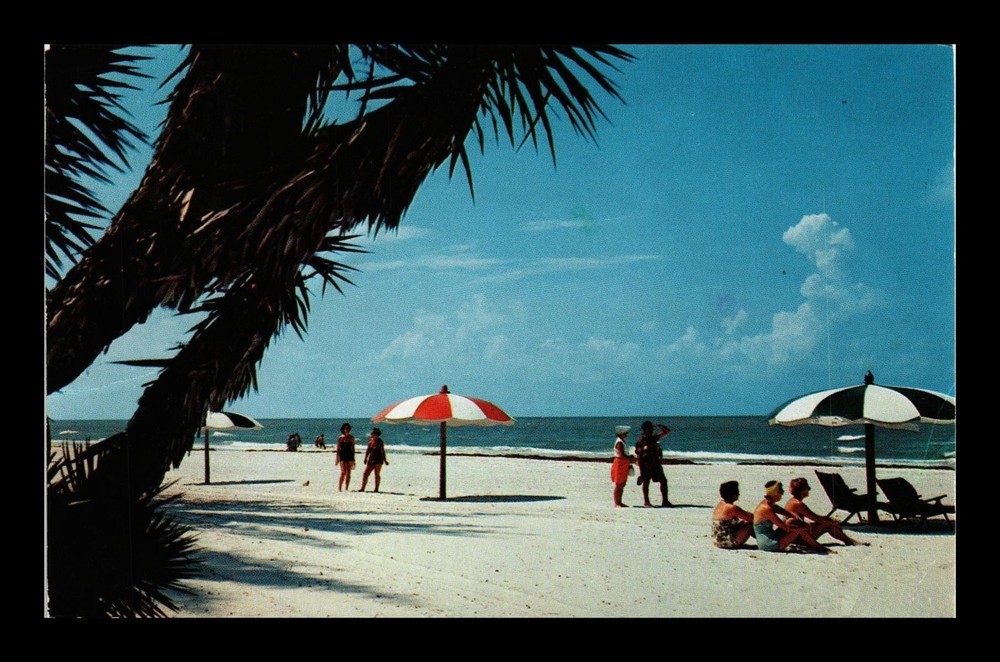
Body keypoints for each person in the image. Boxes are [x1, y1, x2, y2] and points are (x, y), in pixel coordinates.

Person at [753, 480, 834, 554]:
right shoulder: (767, 509)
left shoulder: (768, 504)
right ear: (775, 493)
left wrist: (796, 518)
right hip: (769, 544)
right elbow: (785, 528)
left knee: (792, 522)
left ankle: (813, 545)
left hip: (769, 538)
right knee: (799, 530)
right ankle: (821, 548)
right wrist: (804, 528)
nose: (783, 493)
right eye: (781, 491)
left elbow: (786, 513)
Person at [785, 477, 869, 546]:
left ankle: (849, 541)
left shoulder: (792, 501)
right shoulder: (798, 504)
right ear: (803, 491)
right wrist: (832, 522)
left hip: (793, 535)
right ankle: (849, 541)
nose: (809, 490)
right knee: (827, 523)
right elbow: (816, 518)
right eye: (808, 488)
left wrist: (829, 520)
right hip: (798, 538)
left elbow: (813, 517)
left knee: (827, 521)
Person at [634, 420, 672, 507]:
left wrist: (659, 425)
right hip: (647, 463)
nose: (652, 430)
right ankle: (647, 501)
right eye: (650, 428)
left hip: (655, 463)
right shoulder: (642, 440)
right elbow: (639, 455)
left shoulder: (653, 437)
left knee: (663, 481)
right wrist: (641, 469)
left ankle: (665, 501)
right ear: (646, 429)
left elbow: (667, 431)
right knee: (646, 481)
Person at [711, 480, 755, 549]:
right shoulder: (731, 508)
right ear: (734, 495)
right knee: (751, 523)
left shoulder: (721, 504)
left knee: (746, 522)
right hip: (725, 541)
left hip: (717, 540)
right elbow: (751, 518)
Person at [610, 425, 637, 508]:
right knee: (619, 484)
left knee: (622, 484)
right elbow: (622, 455)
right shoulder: (619, 442)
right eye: (625, 434)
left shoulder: (621, 442)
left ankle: (619, 502)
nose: (626, 435)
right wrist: (631, 458)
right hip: (620, 463)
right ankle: (617, 503)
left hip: (623, 463)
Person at [359, 427, 389, 492]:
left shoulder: (380, 441)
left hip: (378, 459)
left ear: (376, 434)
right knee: (365, 473)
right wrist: (365, 458)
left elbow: (382, 451)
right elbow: (368, 450)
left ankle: (376, 489)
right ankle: (362, 488)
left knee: (376, 474)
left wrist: (385, 460)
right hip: (371, 458)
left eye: (372, 433)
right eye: (371, 433)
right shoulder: (370, 441)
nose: (371, 434)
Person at [335, 423, 356, 491]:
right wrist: (337, 458)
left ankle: (346, 487)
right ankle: (340, 487)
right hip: (343, 455)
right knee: (343, 471)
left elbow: (353, 449)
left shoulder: (351, 438)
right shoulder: (340, 438)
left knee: (349, 472)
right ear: (343, 429)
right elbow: (338, 449)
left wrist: (354, 459)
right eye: (346, 429)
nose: (347, 430)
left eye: (348, 429)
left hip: (350, 455)